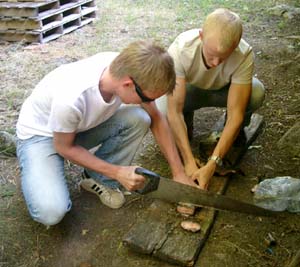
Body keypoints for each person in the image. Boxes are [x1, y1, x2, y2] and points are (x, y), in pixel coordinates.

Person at [16, 40, 197, 226]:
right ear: (128, 84)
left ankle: (97, 179)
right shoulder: (71, 99)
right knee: (51, 213)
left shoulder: (128, 70)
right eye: (148, 98)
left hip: (77, 127)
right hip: (43, 136)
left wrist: (179, 173)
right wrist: (118, 172)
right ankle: (32, 165)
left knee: (140, 118)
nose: (150, 102)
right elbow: (63, 147)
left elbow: (157, 118)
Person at [156, 8, 265, 190]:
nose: (215, 63)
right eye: (211, 54)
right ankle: (187, 118)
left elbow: (235, 114)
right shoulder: (181, 49)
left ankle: (235, 135)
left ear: (236, 44)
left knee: (256, 93)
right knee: (162, 108)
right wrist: (188, 161)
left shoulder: (244, 54)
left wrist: (213, 162)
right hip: (189, 90)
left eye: (223, 57)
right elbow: (174, 111)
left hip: (224, 90)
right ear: (201, 36)